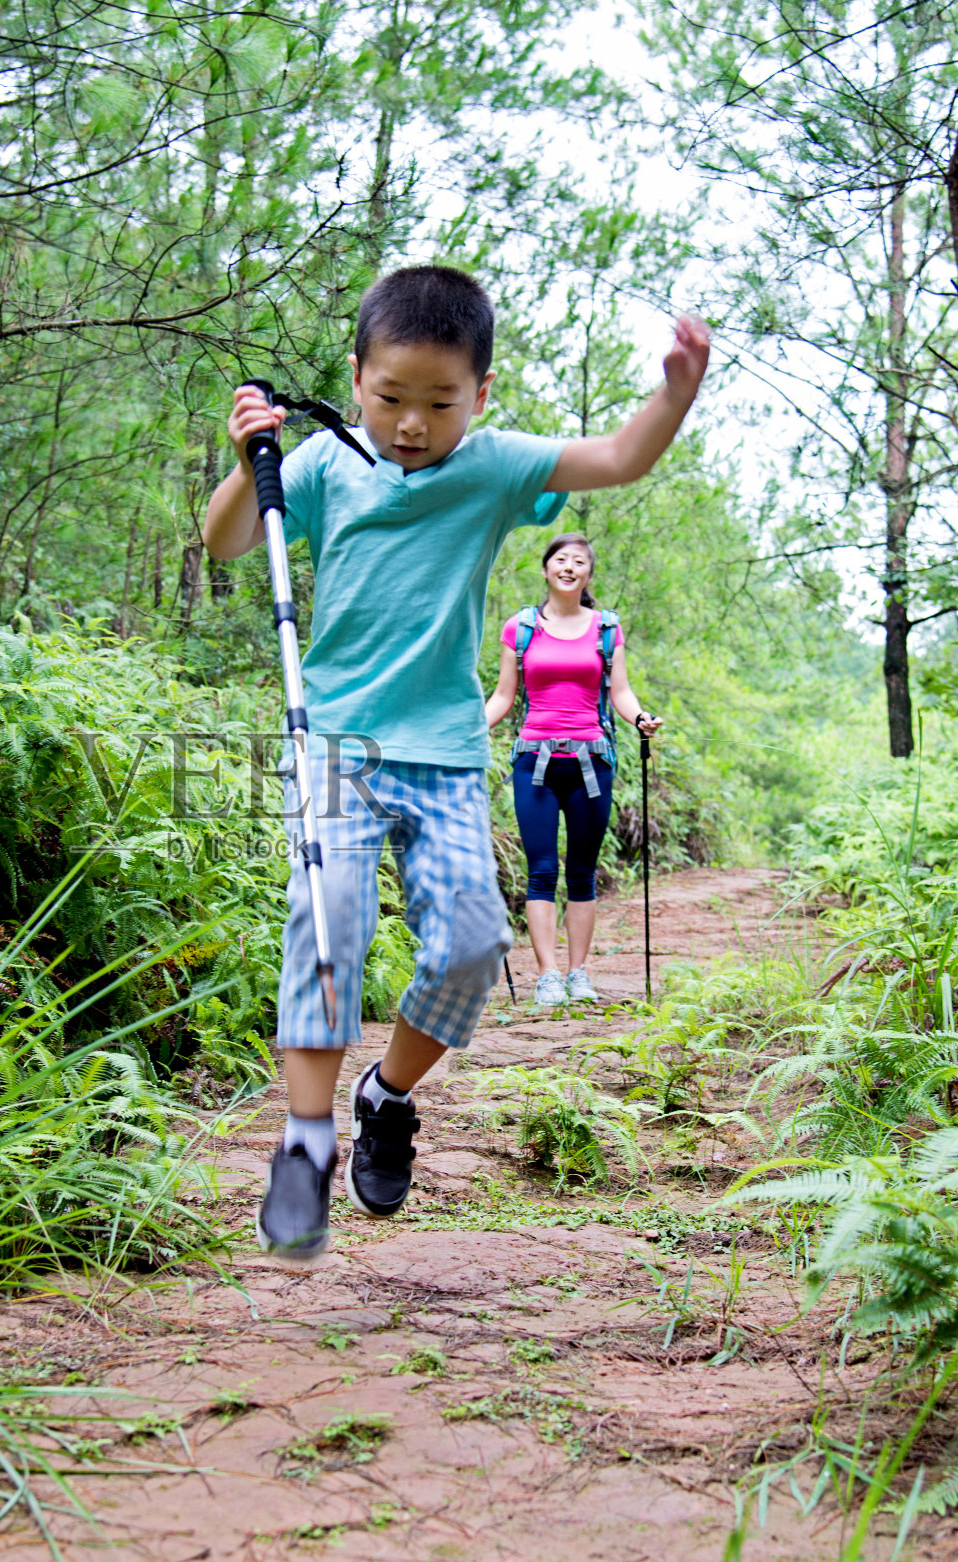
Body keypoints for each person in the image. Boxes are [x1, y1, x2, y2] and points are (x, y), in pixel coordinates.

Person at [201, 266, 709, 1258]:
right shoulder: (320, 465)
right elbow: (225, 541)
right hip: (335, 739)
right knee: (328, 927)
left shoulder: (492, 468)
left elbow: (615, 456)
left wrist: (675, 394)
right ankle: (305, 1143)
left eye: (438, 402)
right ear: (355, 379)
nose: (410, 423)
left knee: (474, 943)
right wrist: (246, 460)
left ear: (479, 394)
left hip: (439, 749)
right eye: (390, 397)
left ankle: (385, 1095)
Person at [485, 534, 661, 1007]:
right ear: (545, 569)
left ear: (587, 574)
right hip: (534, 763)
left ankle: (578, 972)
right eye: (560, 560)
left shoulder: (606, 628)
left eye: (578, 562)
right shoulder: (520, 628)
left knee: (582, 872)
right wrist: (465, 731)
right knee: (540, 870)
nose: (568, 567)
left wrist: (640, 717)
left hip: (591, 762)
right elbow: (504, 697)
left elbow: (620, 691)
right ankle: (547, 975)